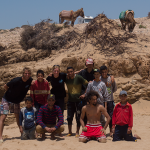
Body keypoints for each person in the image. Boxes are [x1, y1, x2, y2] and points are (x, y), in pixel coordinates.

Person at [0, 67, 33, 143]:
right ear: (23, 73)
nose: (27, 75)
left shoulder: (30, 80)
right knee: (3, 116)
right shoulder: (16, 80)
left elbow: (34, 82)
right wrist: (11, 93)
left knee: (18, 117)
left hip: (16, 101)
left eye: (28, 73)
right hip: (6, 99)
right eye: (25, 73)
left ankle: (22, 134)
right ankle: (0, 137)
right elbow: (5, 86)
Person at [65, 67, 88, 137]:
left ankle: (77, 132)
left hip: (78, 101)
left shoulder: (79, 78)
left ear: (74, 71)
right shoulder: (66, 78)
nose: (70, 73)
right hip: (70, 101)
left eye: (71, 71)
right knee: (69, 117)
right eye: (68, 72)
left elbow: (87, 84)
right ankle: (69, 132)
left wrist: (84, 94)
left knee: (78, 117)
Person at [100, 65, 117, 137]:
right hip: (101, 101)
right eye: (102, 72)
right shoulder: (99, 79)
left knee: (110, 116)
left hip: (110, 100)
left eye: (105, 72)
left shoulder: (111, 79)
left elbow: (114, 89)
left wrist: (109, 94)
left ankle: (110, 131)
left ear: (107, 71)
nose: (104, 73)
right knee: (101, 116)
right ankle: (102, 130)